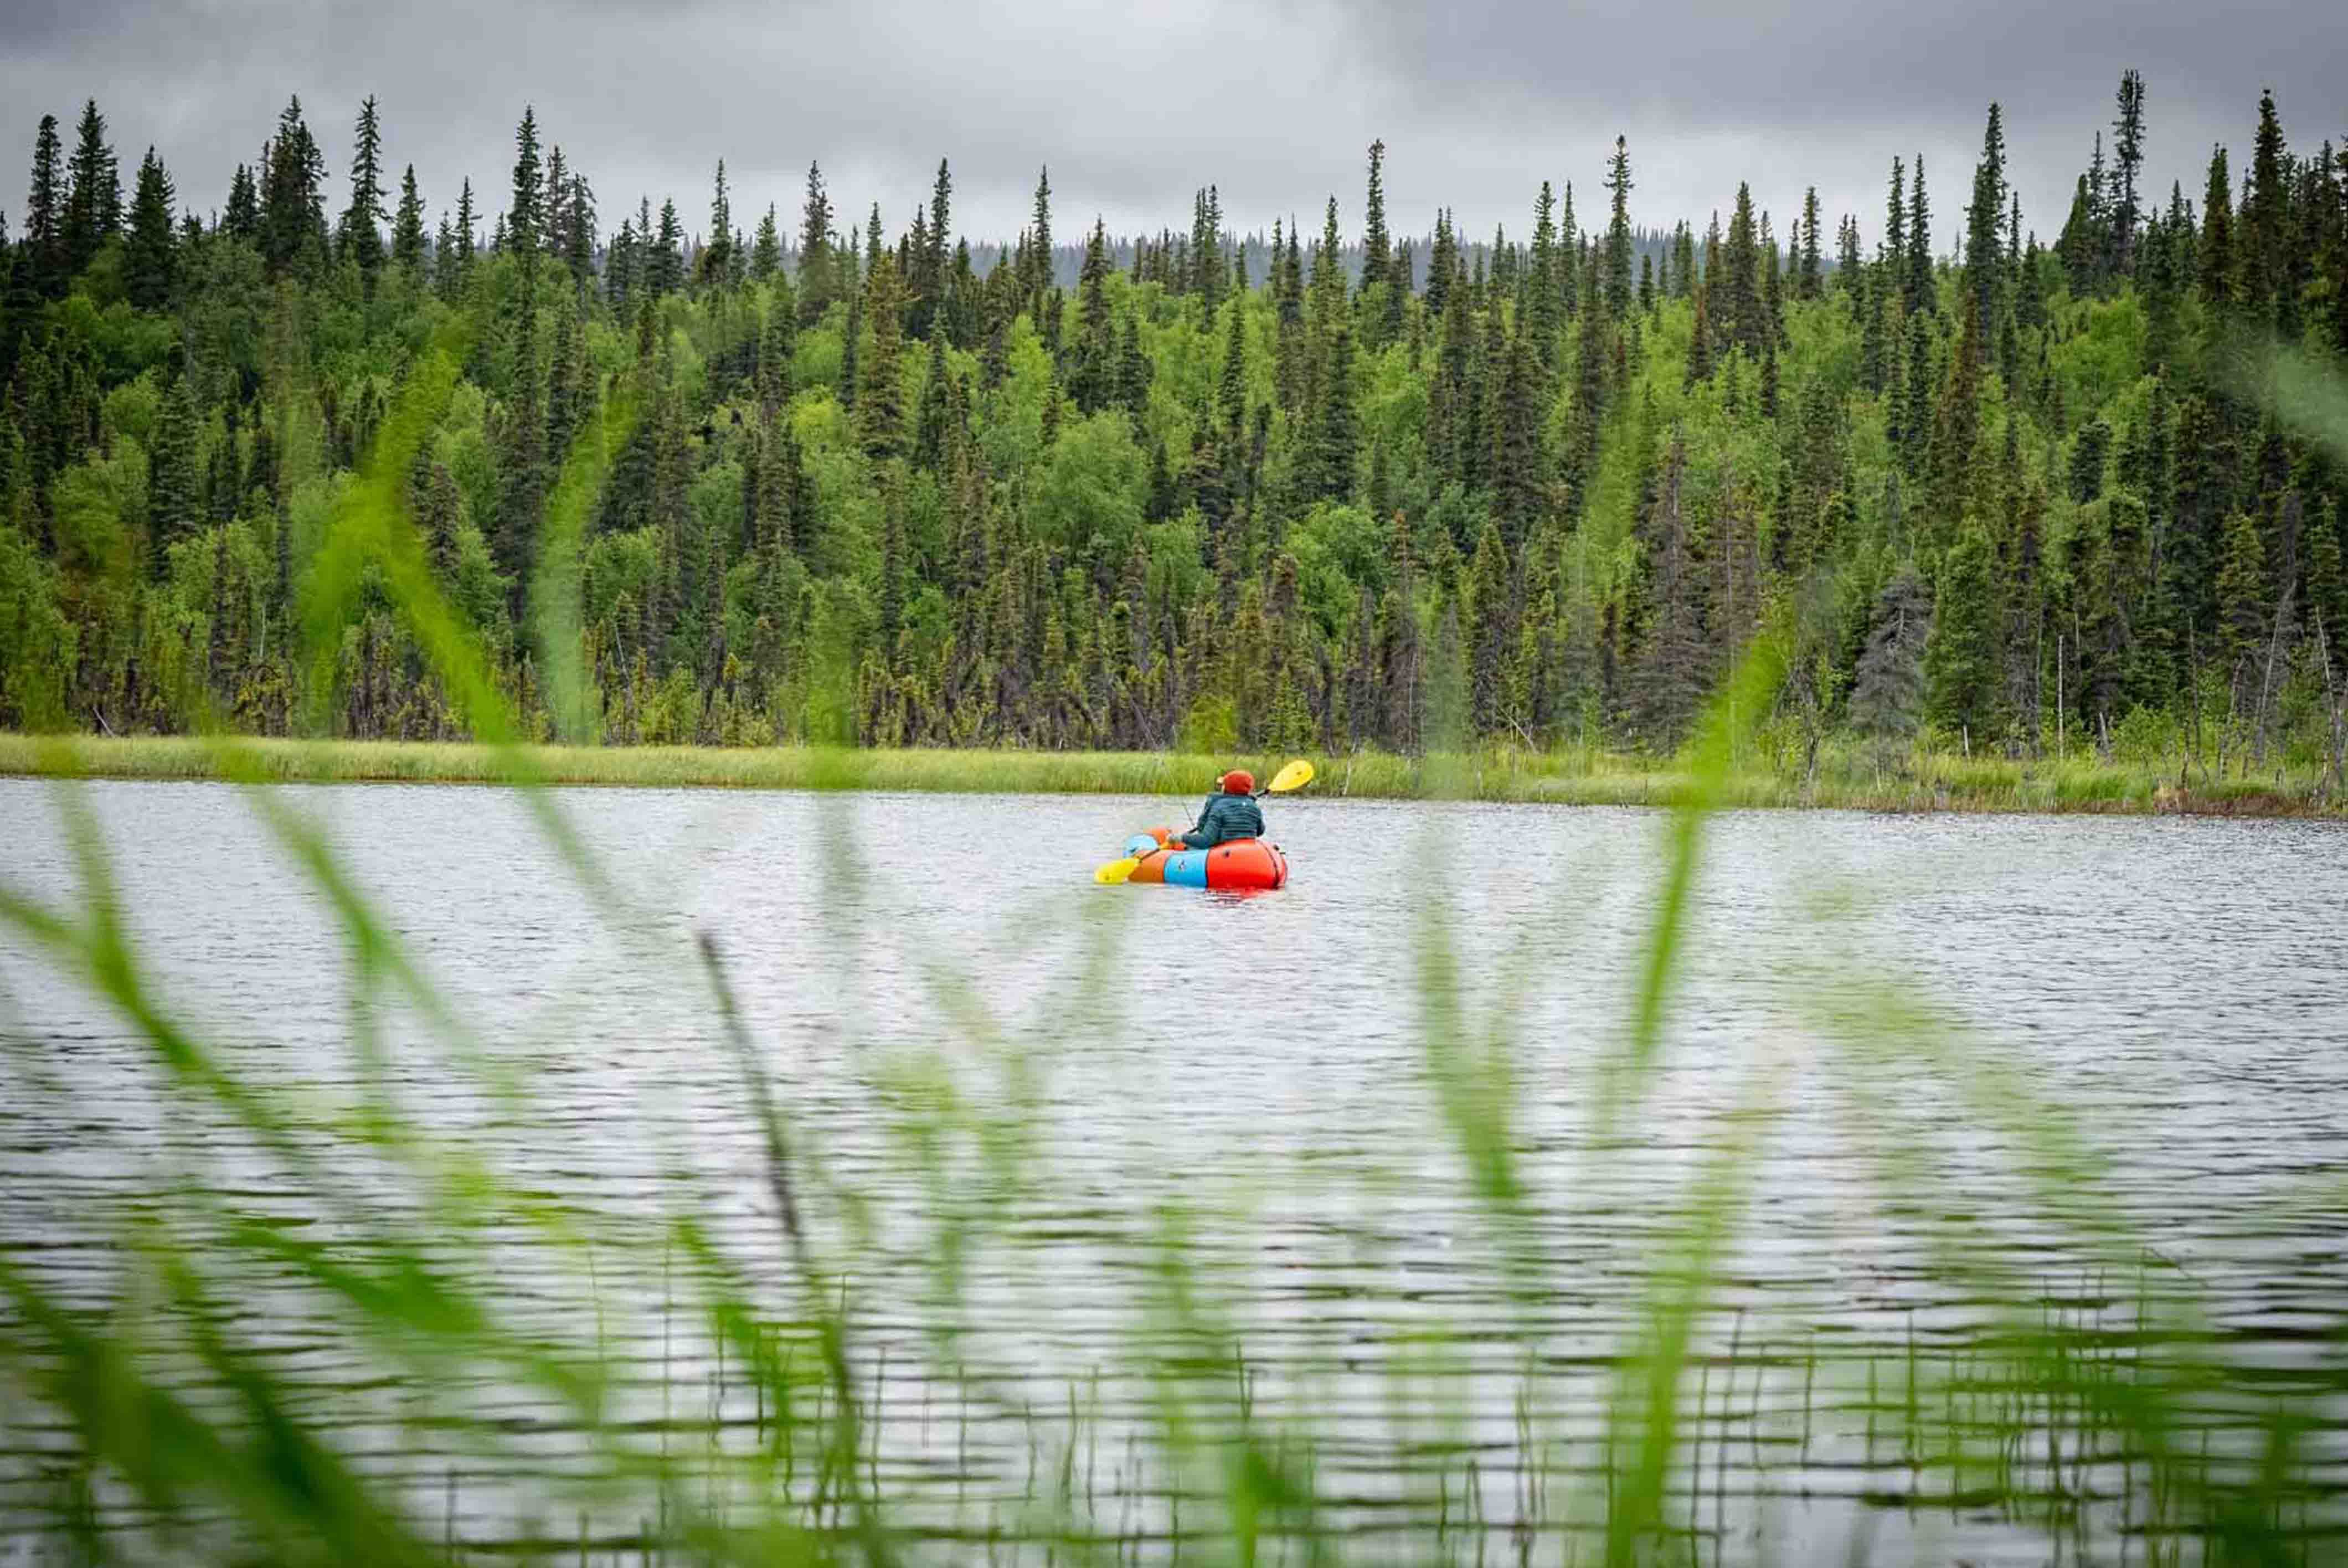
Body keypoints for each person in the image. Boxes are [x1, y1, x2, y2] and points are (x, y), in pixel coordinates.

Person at [1176, 770, 1264, 849]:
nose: (1222, 787)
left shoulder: (1219, 807)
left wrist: (1181, 838)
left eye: (1224, 784)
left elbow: (1205, 840)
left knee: (1190, 848)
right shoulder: (1254, 807)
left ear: (1228, 788)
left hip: (1224, 855)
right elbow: (1260, 831)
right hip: (1249, 853)